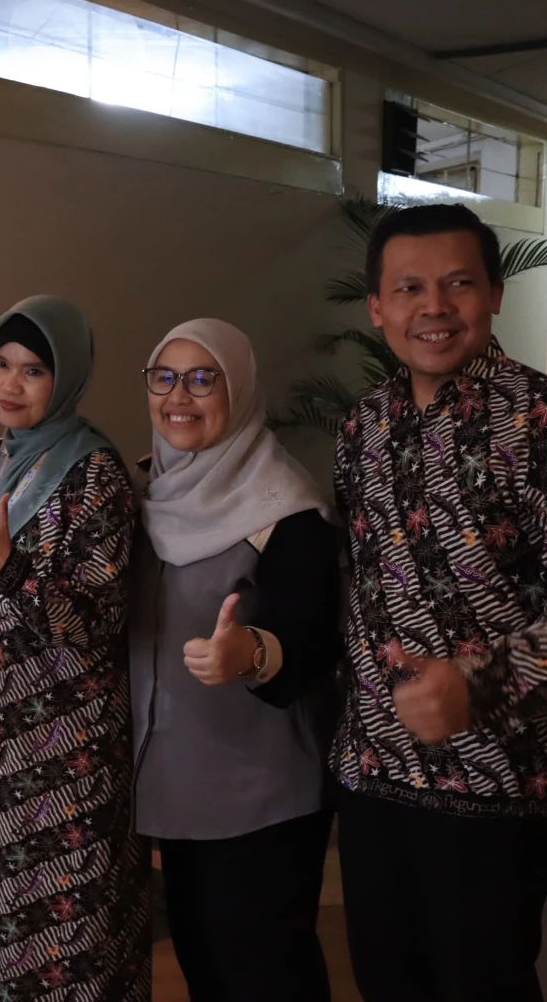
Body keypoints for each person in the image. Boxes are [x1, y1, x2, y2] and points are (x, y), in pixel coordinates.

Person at [332, 204, 547, 1001]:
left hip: (499, 786)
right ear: (377, 307)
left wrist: (480, 684)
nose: (434, 307)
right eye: (408, 288)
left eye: (458, 284)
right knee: (387, 981)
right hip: (374, 775)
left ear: (495, 294)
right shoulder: (361, 427)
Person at [0, 296, 150, 1002]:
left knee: (63, 941)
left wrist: (10, 570)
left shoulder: (95, 472)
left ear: (67, 378)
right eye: (1, 364)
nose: (10, 384)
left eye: (33, 370)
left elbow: (101, 619)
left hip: (63, 746)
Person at [130, 318, 341, 1001]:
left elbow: (313, 642)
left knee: (265, 974)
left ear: (240, 389)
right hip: (175, 785)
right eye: (164, 377)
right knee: (205, 967)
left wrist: (249, 651)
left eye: (203, 379)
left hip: (262, 795)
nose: (178, 396)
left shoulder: (287, 508)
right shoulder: (143, 494)